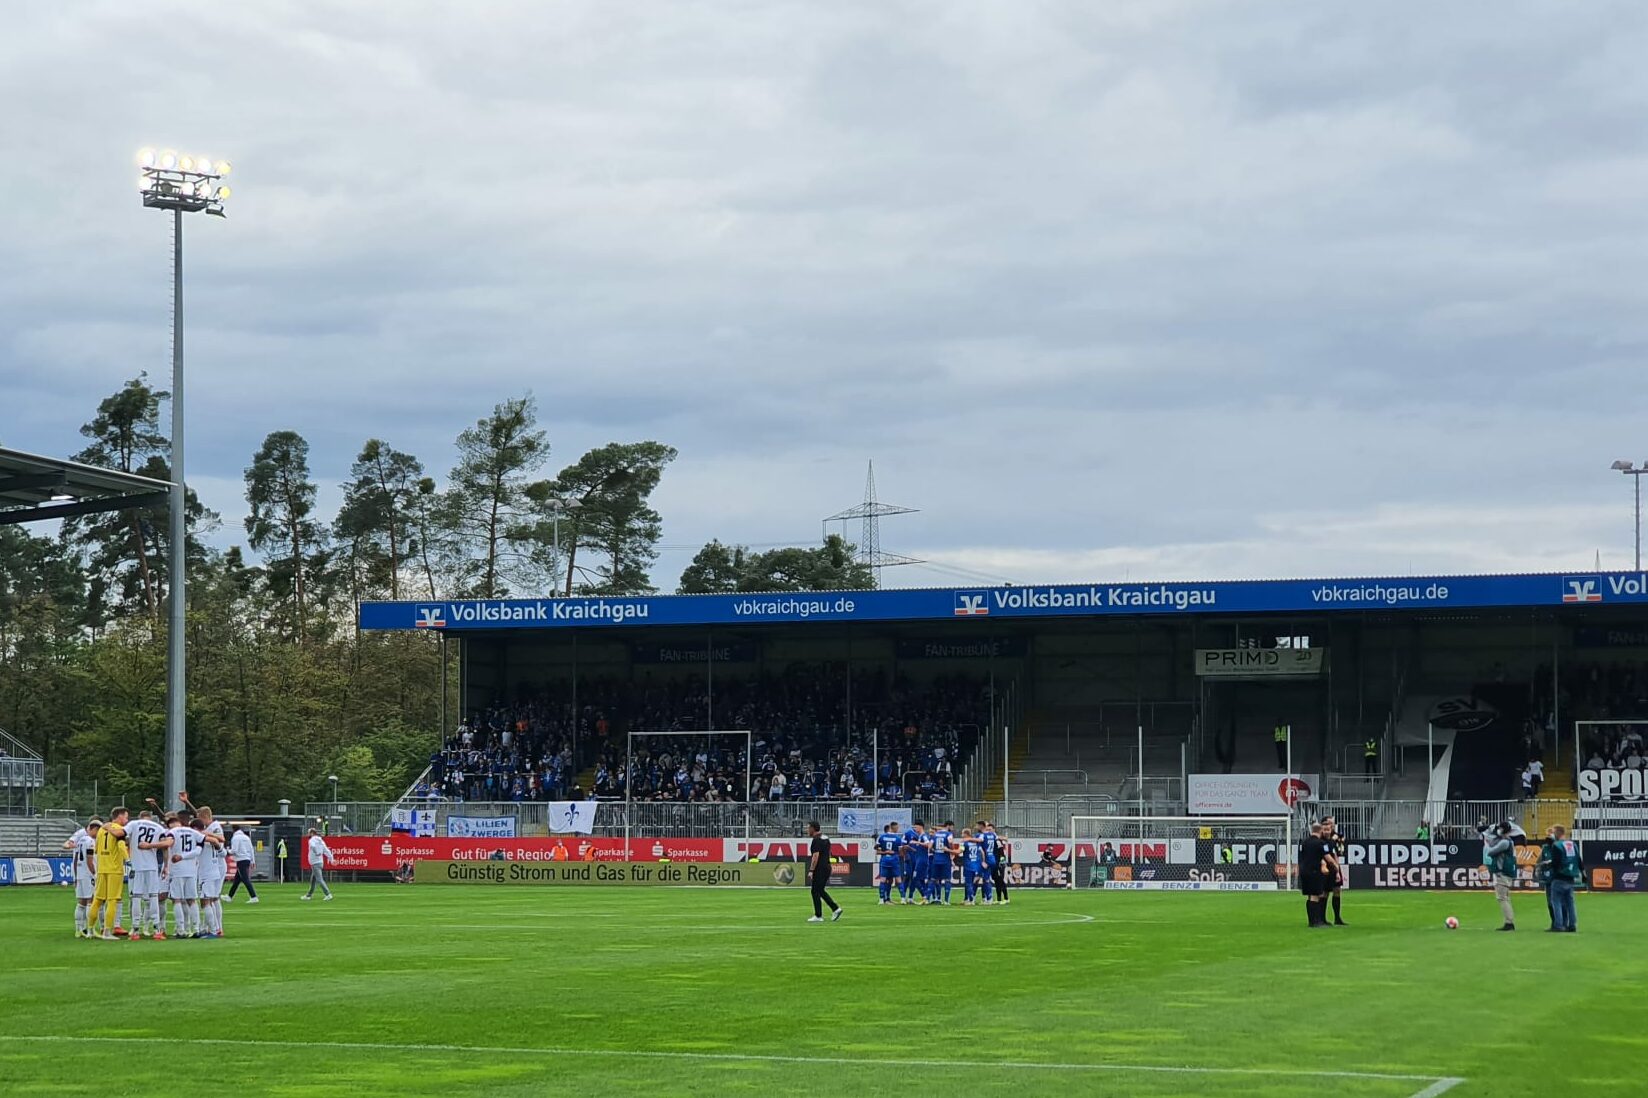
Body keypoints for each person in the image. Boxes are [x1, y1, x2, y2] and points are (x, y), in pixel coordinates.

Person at [125, 809, 169, 940]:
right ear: (150, 818)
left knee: (136, 897)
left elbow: (124, 837)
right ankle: (156, 929)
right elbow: (166, 845)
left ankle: (135, 929)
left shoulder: (134, 824)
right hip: (152, 866)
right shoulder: (158, 827)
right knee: (153, 897)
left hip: (136, 866)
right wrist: (166, 865)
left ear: (140, 817)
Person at [86, 806, 129, 939]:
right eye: (126, 817)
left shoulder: (101, 831)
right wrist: (128, 860)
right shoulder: (119, 830)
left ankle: (90, 930)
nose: (127, 820)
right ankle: (107, 932)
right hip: (114, 869)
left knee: (97, 900)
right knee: (112, 901)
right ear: (119, 816)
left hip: (101, 868)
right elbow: (121, 846)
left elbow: (97, 850)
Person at [166, 814, 203, 938]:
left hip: (177, 870)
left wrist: (180, 856)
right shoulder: (193, 832)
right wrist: (185, 856)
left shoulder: (171, 832)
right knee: (192, 900)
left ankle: (181, 930)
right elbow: (199, 850)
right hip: (191, 870)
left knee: (176, 900)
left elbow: (167, 844)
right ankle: (196, 929)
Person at [64, 820, 99, 938]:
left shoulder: (80, 841)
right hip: (88, 875)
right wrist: (95, 873)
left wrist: (75, 875)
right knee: (91, 902)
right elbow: (90, 860)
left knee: (81, 903)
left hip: (79, 874)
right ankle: (90, 930)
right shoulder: (90, 842)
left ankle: (78, 929)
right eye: (97, 831)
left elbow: (75, 860)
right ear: (93, 829)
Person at [1545, 825, 1583, 933]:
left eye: (1553, 832)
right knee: (1570, 902)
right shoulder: (1572, 844)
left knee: (1556, 901)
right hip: (1570, 877)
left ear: (1557, 833)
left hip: (1559, 877)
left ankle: (1558, 925)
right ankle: (1572, 924)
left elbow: (1556, 862)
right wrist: (1583, 874)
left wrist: (1550, 866)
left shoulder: (1557, 845)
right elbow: (1579, 860)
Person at [1482, 820, 1518, 931]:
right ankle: (1509, 921)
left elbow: (1491, 851)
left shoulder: (1504, 842)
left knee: (1502, 898)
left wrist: (1487, 842)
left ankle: (1509, 922)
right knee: (1505, 898)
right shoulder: (1508, 841)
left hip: (1502, 873)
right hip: (1506, 872)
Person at [805, 821, 841, 924]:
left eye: (808, 828)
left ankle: (819, 915)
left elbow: (815, 856)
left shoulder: (816, 840)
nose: (807, 830)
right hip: (827, 867)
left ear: (813, 828)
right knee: (820, 890)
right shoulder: (825, 838)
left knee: (815, 891)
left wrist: (811, 870)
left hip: (820, 868)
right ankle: (835, 909)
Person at [1299, 821, 1330, 928]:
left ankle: (1311, 921)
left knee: (1309, 895)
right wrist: (1334, 865)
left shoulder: (1304, 842)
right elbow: (1327, 857)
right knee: (1315, 895)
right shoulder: (1321, 843)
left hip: (1304, 871)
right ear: (1320, 831)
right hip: (1314, 871)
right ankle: (1315, 921)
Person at [1321, 816, 1348, 926]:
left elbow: (1338, 852)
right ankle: (1322, 918)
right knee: (1325, 892)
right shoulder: (1322, 838)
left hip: (1334, 866)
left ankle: (1337, 917)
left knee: (1337, 890)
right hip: (1326, 866)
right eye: (1329, 823)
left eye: (1332, 823)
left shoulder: (1336, 836)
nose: (1331, 825)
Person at [227, 827, 259, 903]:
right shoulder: (246, 837)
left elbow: (234, 850)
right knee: (237, 880)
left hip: (241, 860)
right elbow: (251, 849)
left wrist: (227, 851)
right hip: (247, 859)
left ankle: (253, 896)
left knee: (245, 879)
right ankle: (229, 896)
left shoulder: (235, 838)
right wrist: (252, 861)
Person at [960, 828, 992, 905]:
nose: (961, 835)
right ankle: (987, 898)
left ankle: (971, 900)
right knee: (979, 881)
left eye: (962, 833)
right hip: (977, 866)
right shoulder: (977, 843)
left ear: (966, 834)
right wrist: (983, 861)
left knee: (969, 883)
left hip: (968, 865)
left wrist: (950, 851)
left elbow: (960, 851)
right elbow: (982, 852)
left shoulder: (964, 843)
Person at [873, 822, 902, 905]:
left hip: (885, 860)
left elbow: (875, 848)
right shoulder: (893, 838)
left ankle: (887, 898)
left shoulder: (882, 838)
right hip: (887, 861)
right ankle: (884, 899)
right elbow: (877, 851)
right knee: (885, 880)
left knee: (889, 880)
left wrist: (882, 850)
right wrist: (885, 851)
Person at [303, 827, 335, 901]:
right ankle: (308, 895)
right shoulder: (321, 841)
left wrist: (316, 852)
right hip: (320, 862)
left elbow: (313, 846)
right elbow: (326, 850)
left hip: (315, 863)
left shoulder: (311, 840)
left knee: (319, 879)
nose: (308, 834)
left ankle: (328, 894)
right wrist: (331, 859)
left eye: (308, 833)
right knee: (313, 879)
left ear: (312, 833)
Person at [929, 820, 957, 905]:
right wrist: (951, 850)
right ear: (949, 826)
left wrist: (936, 851)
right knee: (947, 880)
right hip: (945, 860)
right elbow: (951, 843)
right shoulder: (949, 834)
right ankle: (946, 901)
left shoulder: (935, 834)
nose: (952, 829)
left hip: (936, 859)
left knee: (934, 879)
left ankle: (929, 898)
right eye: (952, 827)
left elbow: (930, 847)